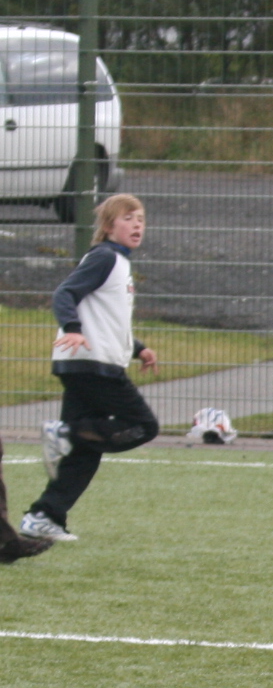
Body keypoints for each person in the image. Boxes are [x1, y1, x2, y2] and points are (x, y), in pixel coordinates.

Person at [21, 193, 159, 545]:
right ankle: (65, 433)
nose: (137, 224)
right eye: (128, 218)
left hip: (86, 363)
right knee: (143, 426)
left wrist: (138, 348)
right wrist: (72, 328)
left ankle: (44, 517)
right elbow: (64, 293)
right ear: (109, 226)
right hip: (92, 365)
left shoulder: (118, 263)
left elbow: (107, 318)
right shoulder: (105, 257)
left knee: (87, 450)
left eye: (141, 218)